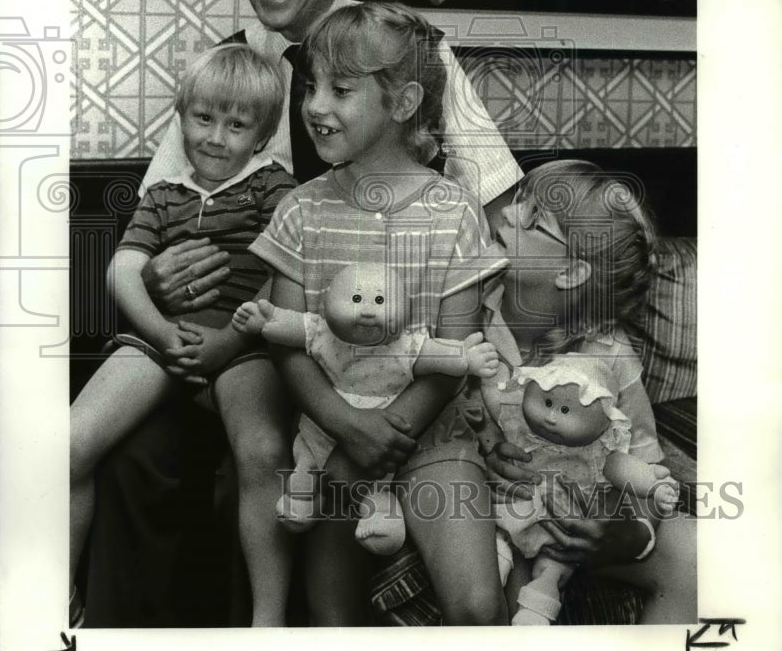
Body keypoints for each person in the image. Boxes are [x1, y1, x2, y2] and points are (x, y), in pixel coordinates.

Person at [81, 0, 521, 627]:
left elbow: (498, 208)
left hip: (379, 345)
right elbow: (165, 210)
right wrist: (158, 273)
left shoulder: (405, 50)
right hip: (253, 343)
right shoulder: (237, 63)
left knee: (280, 460)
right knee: (141, 454)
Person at [250, 2, 511, 625]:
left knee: (476, 609)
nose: (315, 106)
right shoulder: (300, 210)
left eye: (341, 89)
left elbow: (455, 351)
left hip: (433, 437)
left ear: (402, 103)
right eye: (311, 86)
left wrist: (386, 433)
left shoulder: (454, 211)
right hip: (328, 437)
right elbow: (289, 342)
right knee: (332, 621)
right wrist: (347, 426)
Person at [70, 44, 297, 627]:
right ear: (181, 115)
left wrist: (234, 338)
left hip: (246, 345)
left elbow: (290, 273)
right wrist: (162, 333)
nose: (217, 137)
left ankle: (266, 623)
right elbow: (122, 269)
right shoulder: (164, 194)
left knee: (264, 451)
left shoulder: (275, 188)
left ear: (264, 134)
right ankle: (56, 601)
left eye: (237, 124)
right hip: (165, 338)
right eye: (203, 118)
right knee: (68, 444)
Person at [481, 159, 697, 624]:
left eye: (533, 217)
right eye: (520, 200)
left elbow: (646, 465)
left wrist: (631, 533)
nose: (507, 214)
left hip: (576, 513)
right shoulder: (470, 314)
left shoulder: (610, 354)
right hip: (502, 514)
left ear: (571, 272)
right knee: (508, 595)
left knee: (698, 560)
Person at [232, 260, 499, 555]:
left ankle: (381, 512)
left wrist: (466, 358)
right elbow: (292, 327)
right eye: (357, 299)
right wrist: (265, 321)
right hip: (324, 424)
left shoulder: (405, 344)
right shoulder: (323, 333)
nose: (368, 310)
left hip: (380, 426)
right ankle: (304, 493)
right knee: (307, 456)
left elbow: (438, 356)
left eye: (380, 301)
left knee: (376, 482)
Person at [482, 355, 679, 624]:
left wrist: (654, 486)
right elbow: (494, 399)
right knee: (495, 544)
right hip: (508, 511)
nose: (550, 417)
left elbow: (629, 466)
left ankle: (536, 611)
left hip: (561, 531)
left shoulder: (597, 453)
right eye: (548, 404)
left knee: (551, 569)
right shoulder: (522, 431)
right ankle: (498, 560)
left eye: (564, 411)